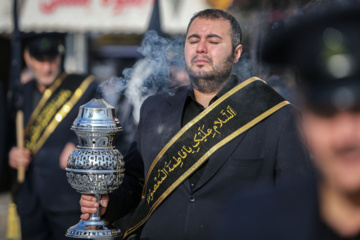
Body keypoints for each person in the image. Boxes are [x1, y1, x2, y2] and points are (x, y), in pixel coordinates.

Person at [79, 9, 311, 239]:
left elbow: (296, 205)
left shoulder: (276, 116)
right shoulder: (155, 108)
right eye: (193, 40)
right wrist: (109, 202)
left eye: (213, 41)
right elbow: (136, 182)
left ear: (236, 53)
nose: (201, 48)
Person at [215, 3, 360, 240]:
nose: (346, 135)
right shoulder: (252, 223)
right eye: (326, 113)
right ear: (303, 122)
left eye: (358, 110)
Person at [8, 32, 98, 240]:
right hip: (29, 200)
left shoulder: (83, 86)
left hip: (67, 201)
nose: (47, 68)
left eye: (52, 60)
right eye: (40, 60)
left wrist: (79, 143)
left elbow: (102, 122)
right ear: (28, 58)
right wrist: (11, 153)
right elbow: (8, 136)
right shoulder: (20, 91)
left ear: (61, 57)